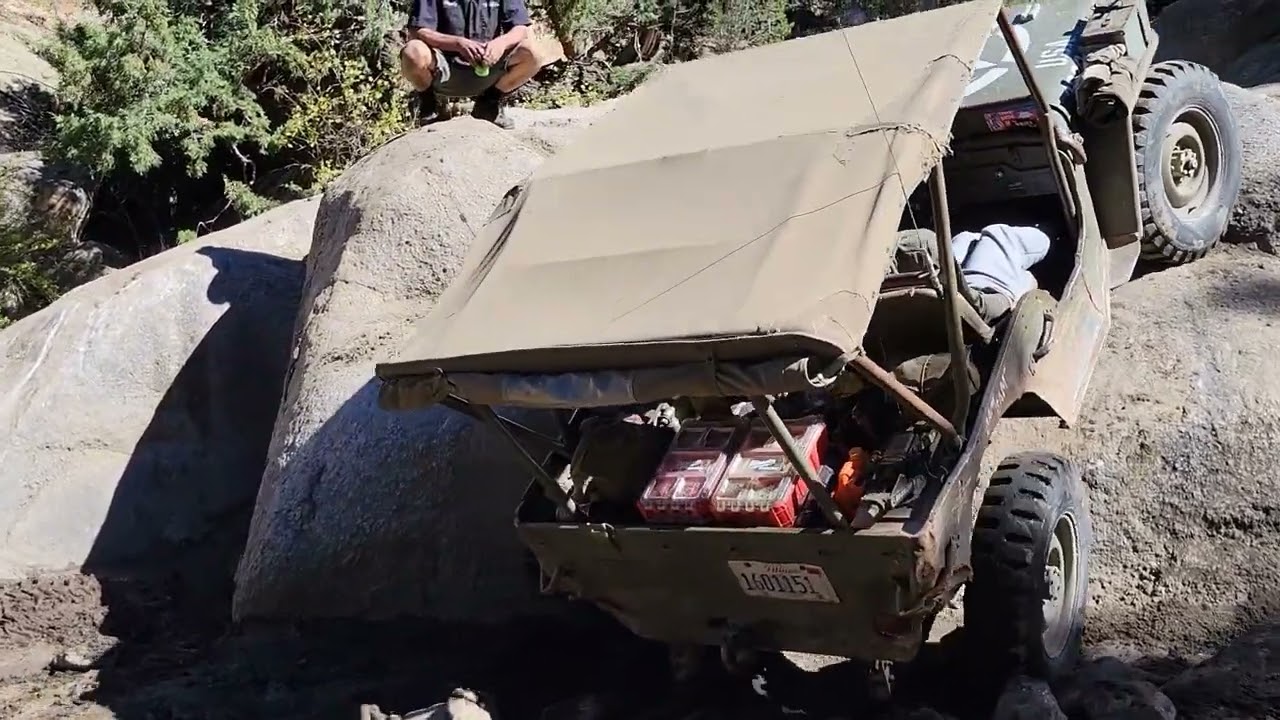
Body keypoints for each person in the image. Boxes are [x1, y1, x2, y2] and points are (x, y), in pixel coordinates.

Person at [399, 0, 548, 129]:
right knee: (412, 51)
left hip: (488, 67)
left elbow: (521, 29)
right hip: (444, 68)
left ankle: (489, 104)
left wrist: (501, 43)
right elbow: (419, 31)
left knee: (533, 53)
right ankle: (432, 105)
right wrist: (457, 44)